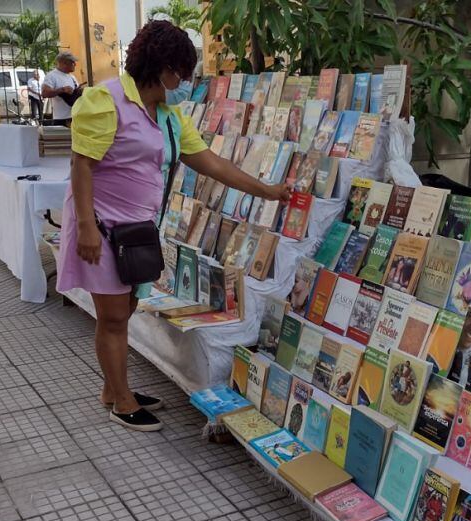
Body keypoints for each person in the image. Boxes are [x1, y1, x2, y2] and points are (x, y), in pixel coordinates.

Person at [57, 21, 290, 431]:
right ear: (163, 68)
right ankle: (121, 399)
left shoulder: (168, 114)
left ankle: (114, 388)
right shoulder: (104, 101)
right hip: (101, 228)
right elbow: (82, 166)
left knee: (124, 310)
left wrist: (266, 191)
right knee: (112, 316)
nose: (186, 81)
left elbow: (210, 162)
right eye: (182, 72)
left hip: (137, 233)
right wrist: (87, 227)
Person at [42, 51, 81, 126]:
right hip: (62, 119)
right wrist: (62, 90)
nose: (75, 65)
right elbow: (44, 93)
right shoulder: (52, 76)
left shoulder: (72, 77)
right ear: (64, 63)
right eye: (72, 62)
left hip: (75, 117)